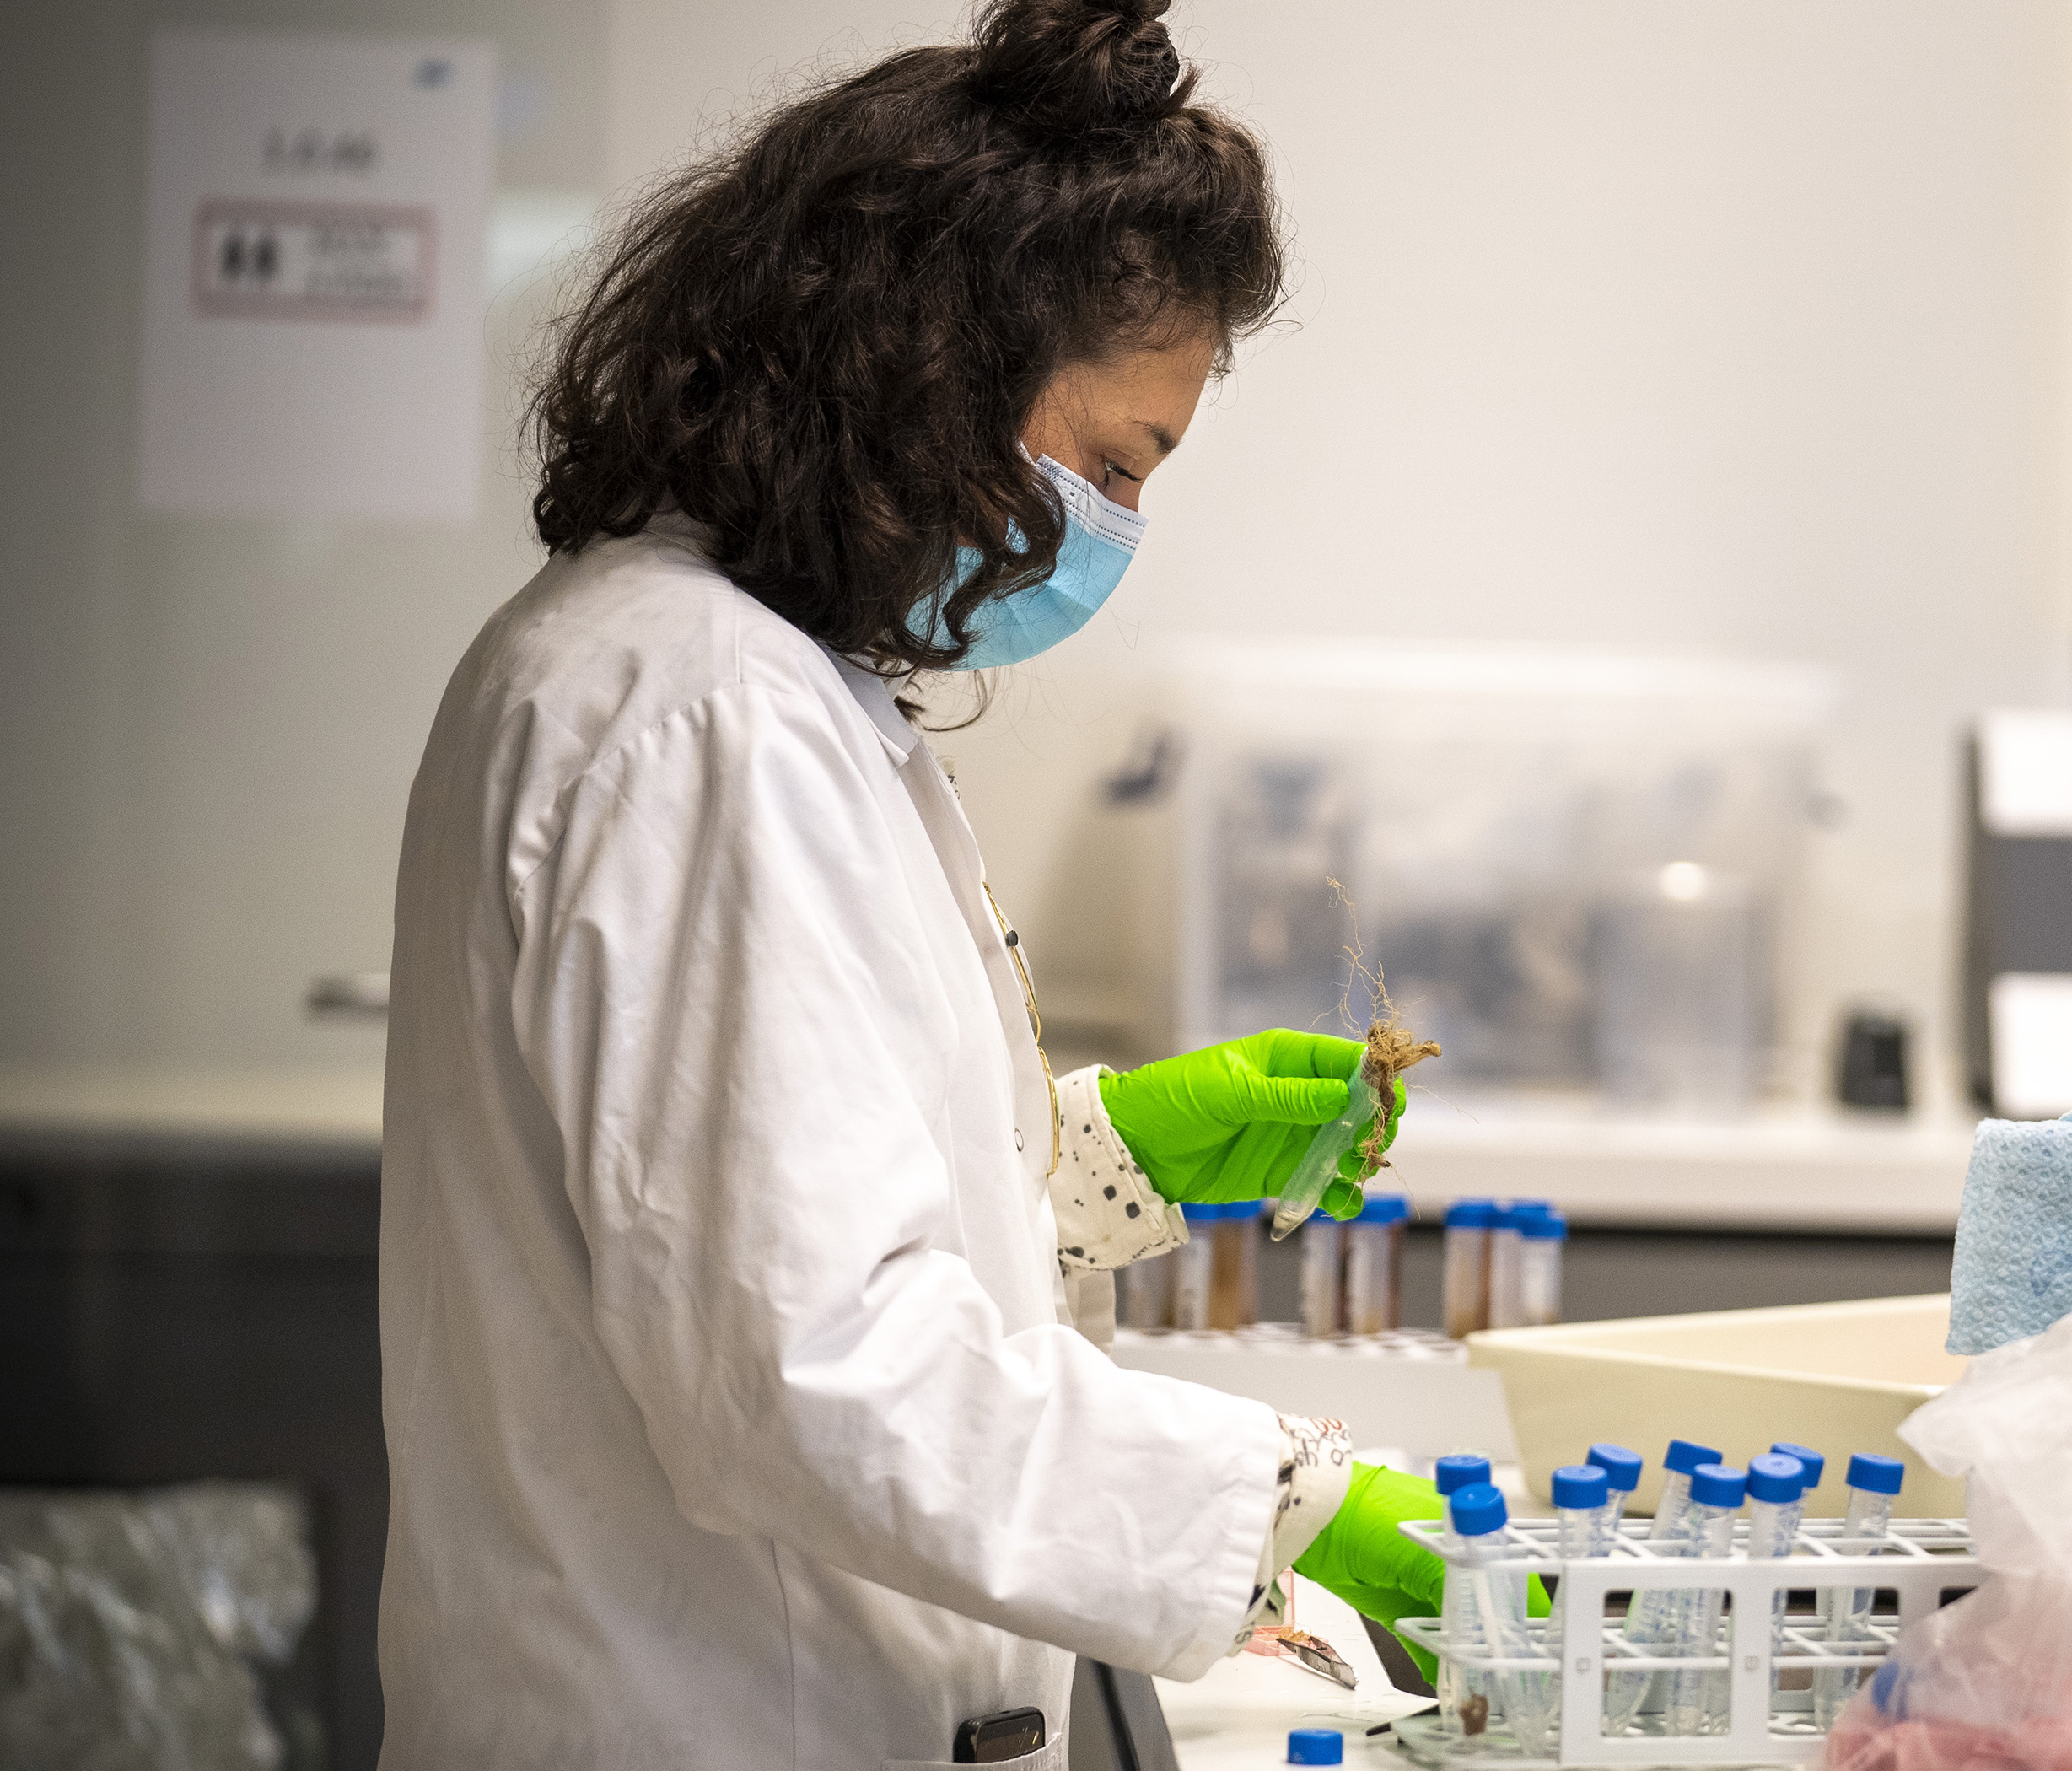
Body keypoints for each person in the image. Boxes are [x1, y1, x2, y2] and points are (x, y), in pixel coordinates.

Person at [379, 1, 1445, 1761]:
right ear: (923, 369)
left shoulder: (731, 674)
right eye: (1107, 465)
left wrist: (1099, 1162)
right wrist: (1290, 1505)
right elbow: (807, 1374)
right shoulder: (701, 712)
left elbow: (740, 1218)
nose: (1111, 529)